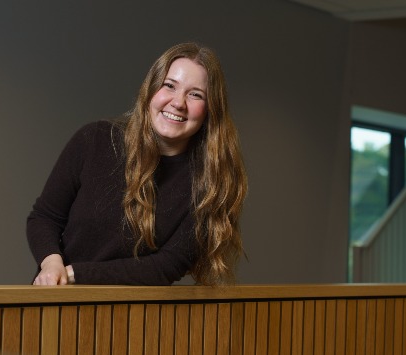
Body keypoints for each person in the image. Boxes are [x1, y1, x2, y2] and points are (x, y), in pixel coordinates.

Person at [27, 42, 247, 286]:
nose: (178, 102)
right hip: (54, 303)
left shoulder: (210, 184)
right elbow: (45, 217)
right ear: (151, 90)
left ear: (210, 109)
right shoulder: (95, 139)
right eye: (169, 86)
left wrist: (73, 274)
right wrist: (51, 263)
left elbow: (165, 266)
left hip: (136, 317)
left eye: (195, 94)